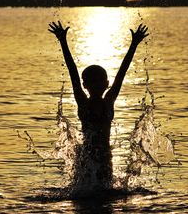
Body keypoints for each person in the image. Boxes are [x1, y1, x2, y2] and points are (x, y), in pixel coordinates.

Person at [48, 20, 149, 194]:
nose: (95, 85)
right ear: (85, 85)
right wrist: (63, 41)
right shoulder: (84, 102)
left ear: (106, 84)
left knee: (102, 195)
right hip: (86, 159)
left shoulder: (108, 101)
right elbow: (72, 71)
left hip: (104, 160)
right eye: (92, 82)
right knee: (87, 194)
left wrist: (134, 44)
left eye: (98, 81)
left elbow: (122, 73)